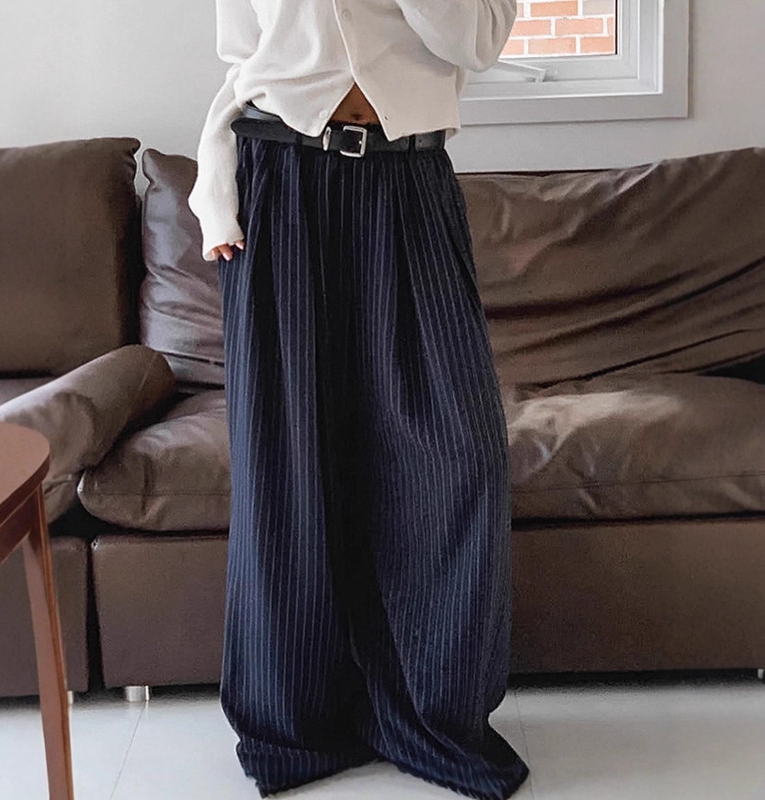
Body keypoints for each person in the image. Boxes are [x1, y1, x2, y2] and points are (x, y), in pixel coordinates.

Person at [187, 2, 531, 798]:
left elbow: (476, 41)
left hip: (410, 182)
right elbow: (245, 61)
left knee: (463, 457)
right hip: (276, 181)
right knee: (289, 462)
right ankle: (298, 719)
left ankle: (435, 713)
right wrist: (215, 186)